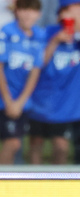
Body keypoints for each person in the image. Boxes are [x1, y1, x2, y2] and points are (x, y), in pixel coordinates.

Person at [28, 0, 80, 164]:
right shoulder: (49, 31)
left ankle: (57, 185)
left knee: (61, 147)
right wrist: (55, 40)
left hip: (66, 104)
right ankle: (34, 185)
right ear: (62, 11)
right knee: (36, 143)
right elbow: (40, 62)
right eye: (74, 8)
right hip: (43, 99)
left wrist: (78, 22)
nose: (78, 11)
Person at [0, 0, 44, 164]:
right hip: (5, 100)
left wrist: (20, 101)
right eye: (24, 9)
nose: (28, 14)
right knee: (12, 143)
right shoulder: (6, 32)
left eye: (32, 10)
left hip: (22, 102)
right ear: (16, 10)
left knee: (16, 144)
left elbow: (35, 71)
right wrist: (8, 101)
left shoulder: (39, 35)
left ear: (38, 14)